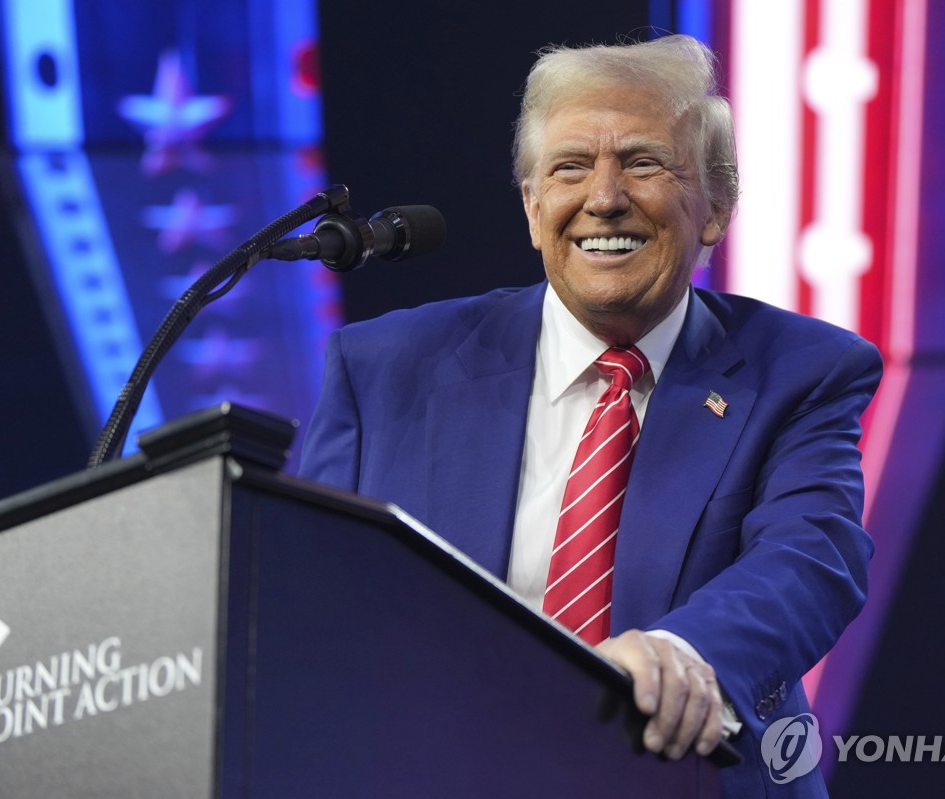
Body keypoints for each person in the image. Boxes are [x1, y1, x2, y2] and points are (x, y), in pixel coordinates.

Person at [300, 34, 881, 796]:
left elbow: (812, 560)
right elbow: (308, 599)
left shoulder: (801, 370)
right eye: (570, 167)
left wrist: (681, 654)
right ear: (534, 208)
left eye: (642, 161)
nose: (604, 197)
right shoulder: (384, 371)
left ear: (716, 207)